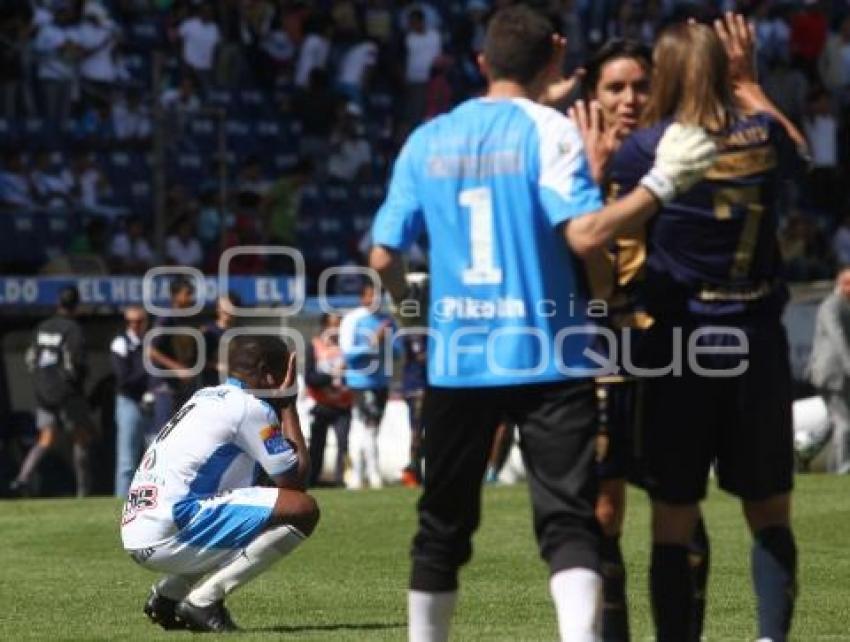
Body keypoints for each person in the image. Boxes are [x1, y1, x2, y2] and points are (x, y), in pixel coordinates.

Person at [368, 6, 716, 641]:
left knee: (441, 526)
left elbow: (383, 256)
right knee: (568, 524)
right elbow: (585, 235)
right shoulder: (551, 131)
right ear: (554, 59)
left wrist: (417, 318)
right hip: (552, 359)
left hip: (459, 360)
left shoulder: (427, 139)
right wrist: (661, 185)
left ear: (481, 63)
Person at [605, 18, 805, 641]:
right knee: (769, 511)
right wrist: (751, 87)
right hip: (757, 341)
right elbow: (802, 156)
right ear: (724, 70)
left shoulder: (647, 149)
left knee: (673, 513)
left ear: (663, 74)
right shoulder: (765, 134)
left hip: (682, 344)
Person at [568, 37, 710, 642]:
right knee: (601, 510)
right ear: (592, 96)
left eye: (641, 85)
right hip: (597, 349)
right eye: (615, 88)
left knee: (680, 507)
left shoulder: (684, 155)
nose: (630, 99)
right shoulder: (568, 162)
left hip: (674, 346)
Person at [121, 335, 318, 632]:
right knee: (303, 509)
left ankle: (168, 594)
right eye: (284, 373)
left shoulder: (204, 396)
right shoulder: (250, 407)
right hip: (171, 527)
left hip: (138, 529)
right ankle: (204, 601)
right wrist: (288, 403)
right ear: (267, 372)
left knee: (260, 507)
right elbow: (295, 481)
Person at [11, 286, 94, 497]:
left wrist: (42, 385)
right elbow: (75, 364)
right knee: (80, 438)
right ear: (76, 306)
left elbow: (31, 359)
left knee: (45, 439)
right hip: (68, 393)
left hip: (44, 392)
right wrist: (78, 383)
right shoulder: (72, 329)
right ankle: (83, 490)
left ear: (58, 303)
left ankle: (23, 477)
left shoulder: (42, 327)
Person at [339, 282, 397, 490]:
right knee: (366, 426)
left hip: (381, 381)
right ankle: (367, 475)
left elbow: (397, 352)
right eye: (371, 295)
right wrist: (374, 342)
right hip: (361, 381)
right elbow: (348, 353)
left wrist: (387, 343)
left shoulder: (387, 321)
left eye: (379, 296)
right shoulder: (353, 319)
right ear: (362, 298)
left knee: (369, 428)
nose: (375, 300)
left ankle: (362, 474)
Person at [806, 266, 850, 474]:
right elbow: (838, 338)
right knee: (844, 423)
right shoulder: (831, 306)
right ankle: (842, 470)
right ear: (843, 284)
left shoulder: (843, 305)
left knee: (835, 422)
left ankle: (804, 450)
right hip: (832, 373)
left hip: (836, 373)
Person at [305, 313, 352, 487]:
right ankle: (312, 480)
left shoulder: (348, 348)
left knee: (343, 443)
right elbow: (310, 377)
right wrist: (332, 376)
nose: (336, 330)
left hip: (343, 404)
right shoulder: (314, 346)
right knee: (317, 445)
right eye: (333, 325)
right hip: (321, 404)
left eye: (339, 325)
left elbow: (357, 373)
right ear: (324, 326)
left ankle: (343, 480)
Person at [147, 277, 198, 436]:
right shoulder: (166, 318)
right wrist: (178, 369)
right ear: (175, 296)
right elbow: (151, 351)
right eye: (187, 294)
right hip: (165, 387)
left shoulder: (187, 318)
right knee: (163, 434)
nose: (190, 298)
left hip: (181, 387)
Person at [112, 306, 151, 498]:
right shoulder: (121, 343)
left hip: (151, 403)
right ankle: (121, 501)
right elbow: (123, 379)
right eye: (130, 321)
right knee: (127, 460)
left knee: (154, 456)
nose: (134, 325)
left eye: (139, 321)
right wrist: (148, 370)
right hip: (129, 401)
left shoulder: (151, 343)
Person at [199, 293, 240, 389]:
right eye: (223, 307)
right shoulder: (207, 332)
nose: (226, 310)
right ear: (218, 308)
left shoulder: (241, 333)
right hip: (211, 385)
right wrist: (216, 365)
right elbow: (197, 361)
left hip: (235, 386)